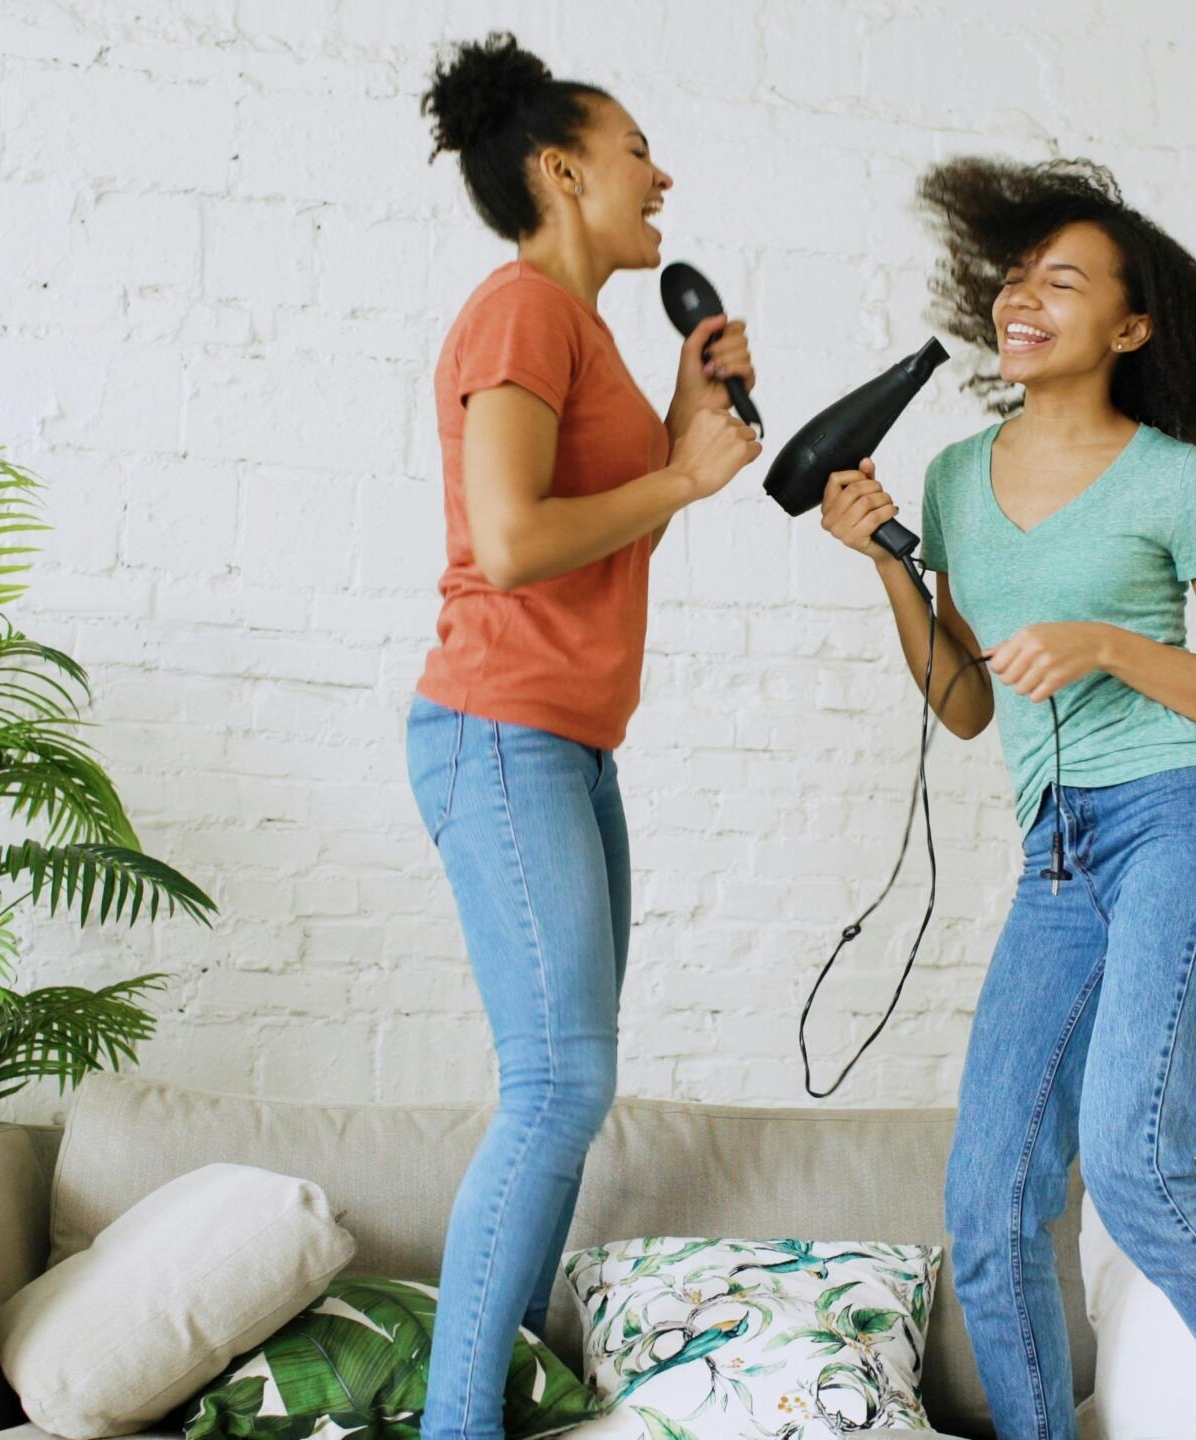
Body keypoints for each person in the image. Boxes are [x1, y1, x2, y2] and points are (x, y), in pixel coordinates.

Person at [818, 157, 1196, 1439]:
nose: (1020, 298)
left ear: (1130, 326)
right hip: (1056, 854)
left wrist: (1108, 643)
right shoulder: (948, 481)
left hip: (1181, 823)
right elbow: (968, 704)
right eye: (1014, 277)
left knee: (1140, 1169)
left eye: (1062, 280)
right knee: (987, 1203)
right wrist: (889, 565)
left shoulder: (1172, 480)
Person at [404, 32, 762, 1440]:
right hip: (500, 731)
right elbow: (508, 542)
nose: (659, 175)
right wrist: (678, 472)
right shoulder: (517, 312)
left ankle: (490, 1394)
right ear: (560, 171)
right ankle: (456, 1424)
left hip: (563, 744)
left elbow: (589, 518)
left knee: (571, 1087)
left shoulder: (583, 329)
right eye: (633, 155)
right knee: (558, 1084)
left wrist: (679, 434)